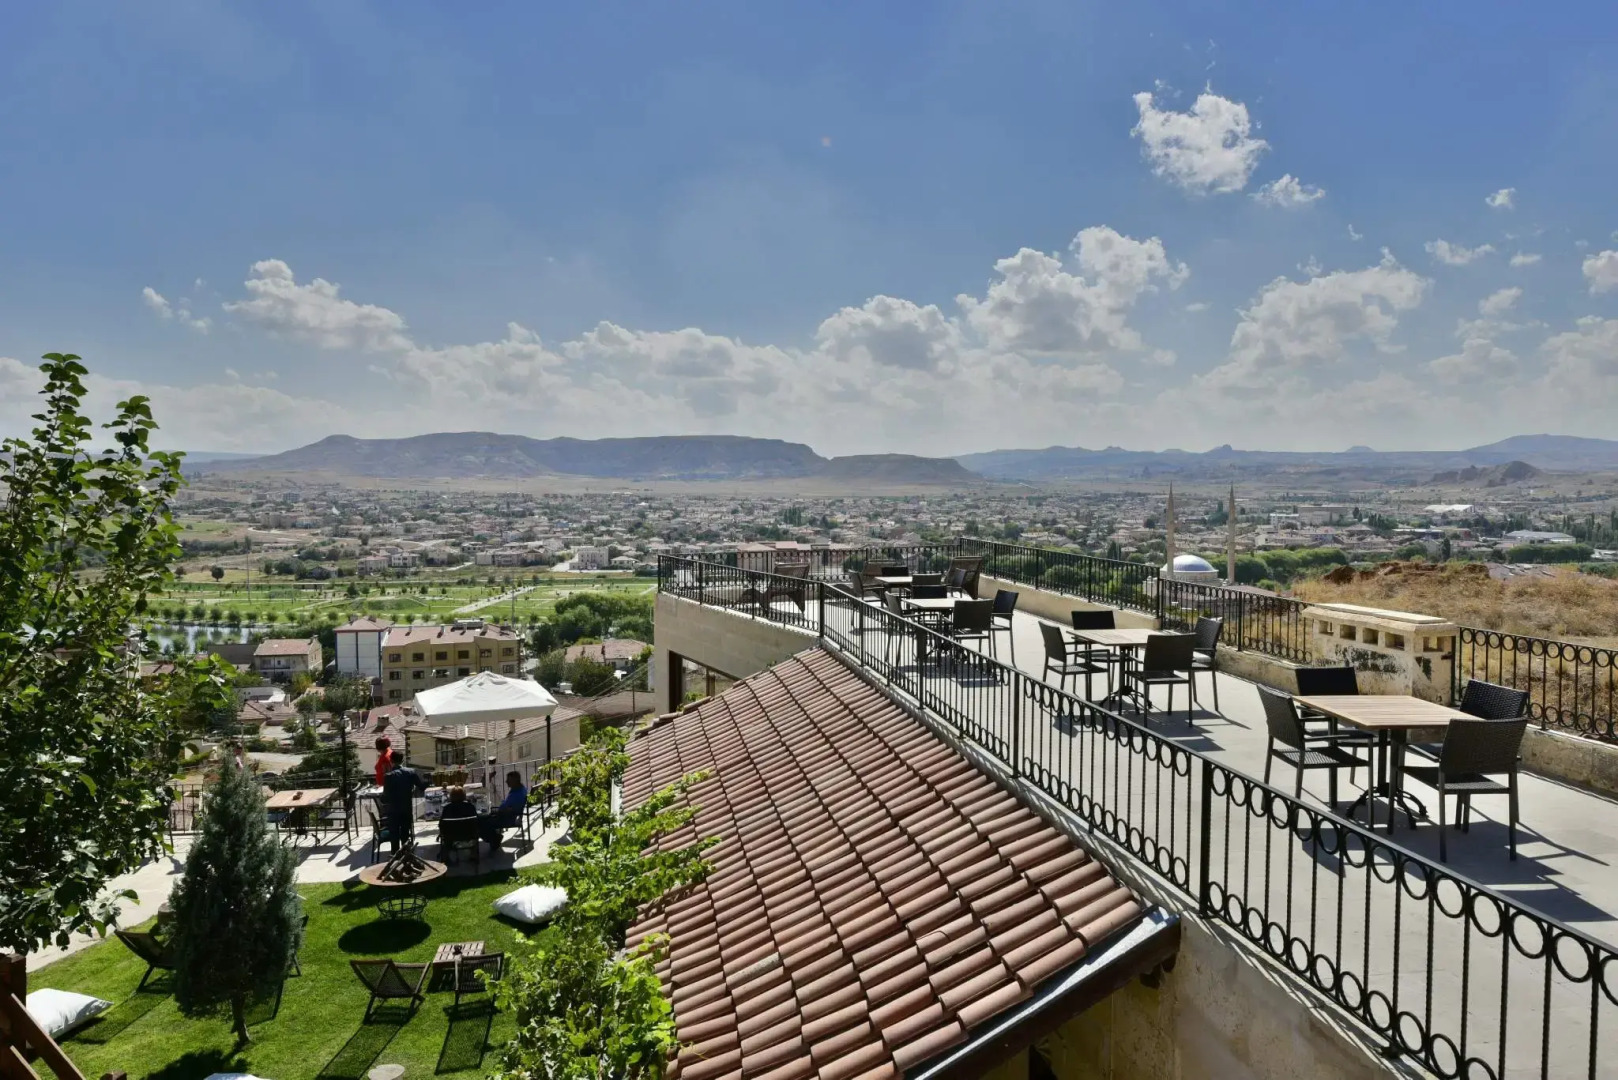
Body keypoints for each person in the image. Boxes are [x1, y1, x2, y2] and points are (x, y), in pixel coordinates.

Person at [380, 754, 427, 850]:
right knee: (405, 833)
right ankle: (406, 855)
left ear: (391, 761)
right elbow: (422, 787)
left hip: (393, 811)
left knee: (394, 834)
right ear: (403, 760)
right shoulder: (411, 772)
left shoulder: (388, 776)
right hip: (406, 809)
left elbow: (385, 798)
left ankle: (395, 855)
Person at [480, 770, 528, 847]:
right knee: (484, 818)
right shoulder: (520, 789)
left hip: (507, 819)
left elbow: (508, 810)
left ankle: (494, 839)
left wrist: (495, 812)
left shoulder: (517, 795)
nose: (506, 781)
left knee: (481, 822)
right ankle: (494, 837)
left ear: (515, 780)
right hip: (507, 815)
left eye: (508, 780)